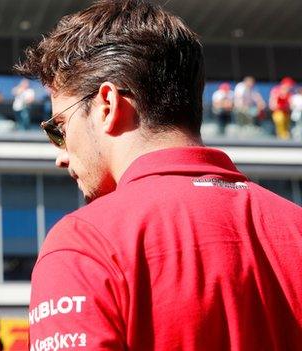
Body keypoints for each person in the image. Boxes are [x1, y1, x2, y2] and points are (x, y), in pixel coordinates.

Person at [16, 0, 302, 349]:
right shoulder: (294, 225)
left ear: (107, 105)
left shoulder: (87, 241)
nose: (60, 155)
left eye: (58, 128)